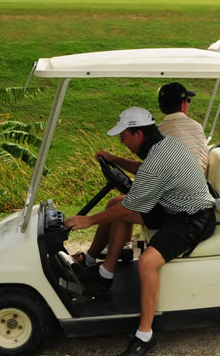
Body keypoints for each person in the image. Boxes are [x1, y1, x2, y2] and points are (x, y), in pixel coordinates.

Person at [65, 107, 216, 356]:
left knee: (147, 261)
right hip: (172, 206)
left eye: (124, 136)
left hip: (193, 217)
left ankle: (145, 335)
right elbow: (142, 172)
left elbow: (132, 204)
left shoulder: (159, 157)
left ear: (138, 134)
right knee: (115, 204)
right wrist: (116, 160)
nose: (122, 141)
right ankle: (103, 273)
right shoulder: (163, 145)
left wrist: (88, 220)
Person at [73, 82, 208, 268]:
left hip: (182, 203)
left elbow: (154, 170)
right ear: (184, 104)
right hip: (187, 191)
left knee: (118, 206)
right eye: (188, 101)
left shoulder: (160, 133)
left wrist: (89, 220)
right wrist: (116, 160)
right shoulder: (196, 127)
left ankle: (95, 262)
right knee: (120, 205)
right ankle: (116, 253)